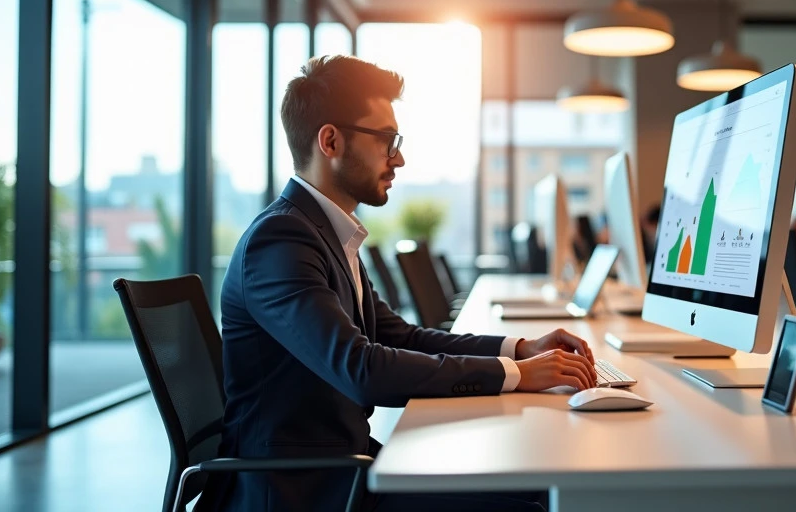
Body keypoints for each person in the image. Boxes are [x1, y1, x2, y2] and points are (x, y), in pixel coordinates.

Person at [200, 56, 597, 512]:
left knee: (535, 484)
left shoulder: (326, 233)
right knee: (529, 504)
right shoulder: (280, 241)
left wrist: (518, 349)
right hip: (303, 491)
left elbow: (400, 337)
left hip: (345, 469)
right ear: (330, 141)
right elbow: (362, 370)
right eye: (387, 140)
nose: (399, 157)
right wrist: (517, 376)